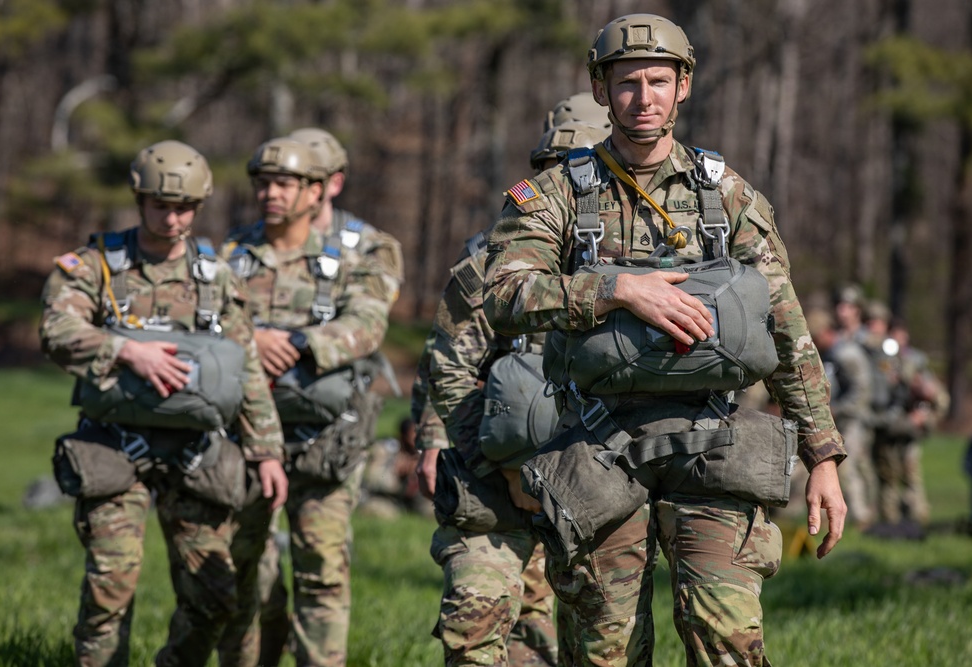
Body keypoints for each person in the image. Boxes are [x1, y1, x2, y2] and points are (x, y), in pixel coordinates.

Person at [483, 14, 847, 666]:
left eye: (658, 80)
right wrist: (615, 289)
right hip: (597, 445)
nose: (643, 97)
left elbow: (786, 326)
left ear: (683, 86)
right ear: (601, 90)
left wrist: (823, 454)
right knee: (603, 651)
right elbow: (504, 293)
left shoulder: (725, 195)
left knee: (728, 637)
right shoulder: (558, 195)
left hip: (713, 441)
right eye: (626, 83)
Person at [40, 140, 288, 667]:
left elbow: (246, 367)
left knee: (213, 594)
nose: (173, 219)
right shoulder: (95, 266)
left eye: (184, 209)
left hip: (195, 454)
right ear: (138, 199)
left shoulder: (215, 278)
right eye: (161, 206)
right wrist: (125, 350)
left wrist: (268, 452)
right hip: (113, 450)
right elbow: (55, 329)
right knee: (111, 588)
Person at [415, 104, 609, 667]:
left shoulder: (638, 260)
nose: (564, 181)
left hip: (599, 488)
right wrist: (479, 455)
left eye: (578, 167)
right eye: (551, 165)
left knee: (593, 643)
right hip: (493, 475)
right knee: (476, 627)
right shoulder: (490, 256)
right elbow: (447, 361)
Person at [218, 134, 402, 667]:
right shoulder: (237, 251)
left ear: (326, 184)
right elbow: (210, 320)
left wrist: (298, 344)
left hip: (326, 434)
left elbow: (368, 322)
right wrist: (252, 341)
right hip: (248, 434)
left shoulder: (366, 248)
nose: (273, 193)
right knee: (246, 565)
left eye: (289, 182)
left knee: (321, 566)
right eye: (265, 182)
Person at [868, 316, 949, 527]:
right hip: (890, 425)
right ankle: (890, 522)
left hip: (910, 425)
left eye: (901, 335)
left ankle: (917, 519)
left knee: (911, 476)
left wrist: (924, 411)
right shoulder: (882, 361)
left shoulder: (916, 361)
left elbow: (935, 395)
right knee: (888, 477)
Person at [808, 308, 876, 528]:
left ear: (827, 332)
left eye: (816, 337)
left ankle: (861, 517)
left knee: (849, 466)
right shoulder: (829, 355)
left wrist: (836, 409)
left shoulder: (847, 354)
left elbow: (862, 392)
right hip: (840, 419)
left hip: (854, 420)